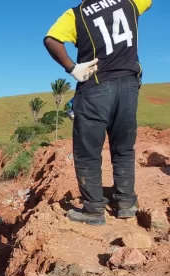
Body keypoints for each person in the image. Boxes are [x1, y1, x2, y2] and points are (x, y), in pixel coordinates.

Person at [43, 0, 152, 226]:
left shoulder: (77, 14)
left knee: (87, 152)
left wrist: (72, 68)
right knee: (123, 148)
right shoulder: (131, 2)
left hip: (96, 86)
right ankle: (126, 203)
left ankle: (93, 210)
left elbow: (51, 39)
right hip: (129, 86)